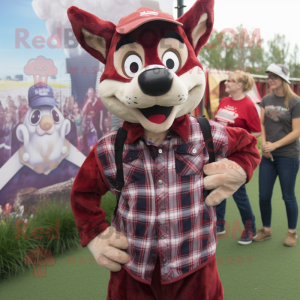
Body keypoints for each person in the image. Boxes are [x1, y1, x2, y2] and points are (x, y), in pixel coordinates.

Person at [253, 64, 300, 247]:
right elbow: (263, 124)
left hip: (288, 156)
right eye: (269, 76)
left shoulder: (295, 102)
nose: (270, 79)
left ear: (284, 80)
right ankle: (266, 230)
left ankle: (292, 233)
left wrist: (275, 145)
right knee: (264, 195)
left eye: (274, 77)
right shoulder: (265, 99)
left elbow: (297, 132)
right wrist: (264, 145)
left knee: (288, 196)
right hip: (267, 157)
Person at [214, 71, 261, 245]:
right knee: (218, 186)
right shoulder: (224, 101)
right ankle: (219, 224)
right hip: (219, 152)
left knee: (238, 193)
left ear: (240, 85)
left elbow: (257, 131)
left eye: (231, 81)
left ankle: (250, 228)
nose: (227, 82)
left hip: (237, 156)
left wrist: (238, 142)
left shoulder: (249, 105)